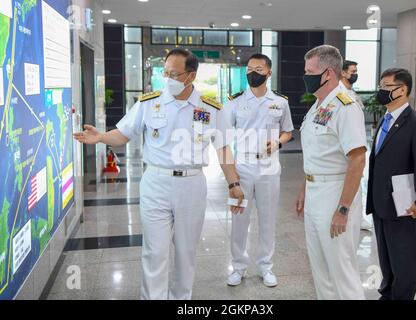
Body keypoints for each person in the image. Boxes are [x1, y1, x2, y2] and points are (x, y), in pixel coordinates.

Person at [73, 48, 245, 300]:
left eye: (174, 74)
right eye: (165, 73)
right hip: (156, 182)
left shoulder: (211, 109)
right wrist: (100, 137)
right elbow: (123, 133)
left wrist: (234, 184)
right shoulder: (149, 103)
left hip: (192, 185)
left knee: (186, 251)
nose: (168, 79)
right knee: (155, 251)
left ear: (191, 76)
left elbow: (223, 149)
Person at [295, 45, 367, 300]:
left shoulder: (346, 106)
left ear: (327, 73)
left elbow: (357, 159)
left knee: (341, 270)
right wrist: (305, 188)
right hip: (316, 192)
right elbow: (315, 153)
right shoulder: (318, 105)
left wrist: (343, 209)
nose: (304, 76)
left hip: (336, 193)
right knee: (321, 270)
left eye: (309, 71)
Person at [224, 53, 294, 287]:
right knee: (239, 219)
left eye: (259, 69)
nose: (253, 73)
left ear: (269, 72)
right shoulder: (234, 102)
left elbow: (288, 131)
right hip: (242, 167)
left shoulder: (280, 102)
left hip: (269, 167)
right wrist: (231, 178)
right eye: (250, 68)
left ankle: (266, 266)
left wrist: (278, 143)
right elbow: (224, 139)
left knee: (267, 219)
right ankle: (238, 267)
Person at [366, 68, 416, 300]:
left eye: (386, 86)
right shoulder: (386, 120)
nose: (381, 91)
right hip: (382, 204)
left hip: (405, 205)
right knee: (386, 260)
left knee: (403, 262)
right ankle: (387, 295)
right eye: (380, 86)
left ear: (402, 90)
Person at [341, 60, 373, 232]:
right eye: (353, 71)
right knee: (351, 181)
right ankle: (351, 216)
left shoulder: (352, 93)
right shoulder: (341, 94)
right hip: (348, 147)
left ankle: (359, 218)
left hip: (357, 144)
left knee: (358, 182)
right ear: (343, 73)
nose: (355, 74)